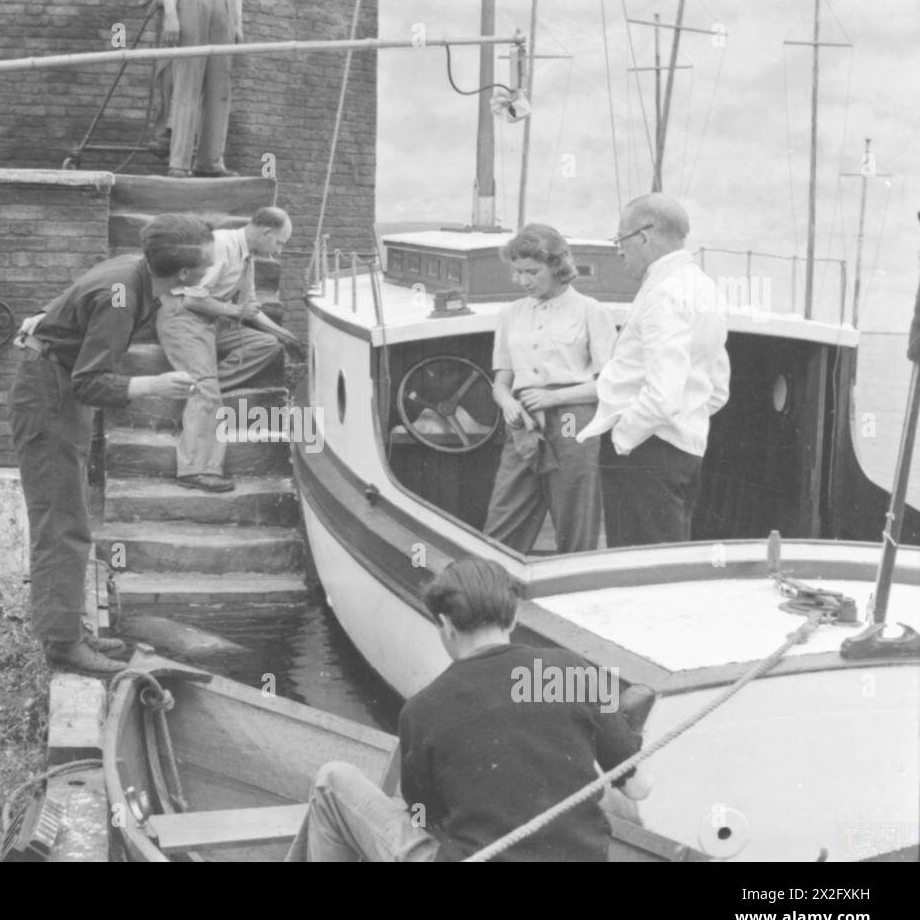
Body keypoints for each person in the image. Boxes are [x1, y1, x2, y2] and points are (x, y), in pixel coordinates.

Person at [285, 557, 650, 862]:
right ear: (512, 617)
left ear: (445, 625)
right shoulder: (571, 669)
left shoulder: (424, 707)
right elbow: (637, 790)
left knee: (333, 781)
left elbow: (425, 816)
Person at [9, 214, 212, 674]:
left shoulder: (135, 271)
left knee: (69, 518)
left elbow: (74, 309)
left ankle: (67, 629)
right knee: (63, 525)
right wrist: (155, 384)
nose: (213, 267)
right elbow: (89, 383)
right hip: (51, 398)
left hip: (54, 386)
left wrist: (45, 321)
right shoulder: (121, 295)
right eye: (208, 261)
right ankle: (63, 644)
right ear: (183, 273)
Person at [576, 194, 730, 547]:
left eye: (620, 240)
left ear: (643, 236)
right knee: (663, 563)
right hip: (684, 449)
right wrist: (685, 421)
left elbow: (663, 395)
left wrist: (622, 439)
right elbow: (717, 389)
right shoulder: (706, 289)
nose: (618, 251)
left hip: (644, 453)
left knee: (638, 571)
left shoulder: (663, 293)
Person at [484, 224, 617, 554]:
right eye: (518, 273)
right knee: (504, 514)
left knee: (575, 514)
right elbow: (501, 382)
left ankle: (575, 588)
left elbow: (610, 386)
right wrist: (506, 404)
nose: (523, 281)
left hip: (574, 418)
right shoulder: (510, 314)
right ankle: (491, 588)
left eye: (532, 271)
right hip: (523, 420)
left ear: (557, 267)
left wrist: (554, 397)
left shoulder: (591, 311)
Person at [157, 207, 299, 492]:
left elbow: (252, 309)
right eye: (279, 242)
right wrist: (236, 311)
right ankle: (195, 470)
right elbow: (192, 300)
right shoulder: (221, 245)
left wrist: (286, 336)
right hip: (183, 319)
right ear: (265, 232)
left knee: (267, 345)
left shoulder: (247, 257)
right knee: (207, 389)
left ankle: (200, 391)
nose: (279, 251)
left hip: (215, 321)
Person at [160, 0, 242, 178]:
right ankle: (179, 163)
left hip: (224, 5)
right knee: (187, 83)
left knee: (219, 88)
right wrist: (171, 14)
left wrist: (238, 21)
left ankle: (210, 162)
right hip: (191, 2)